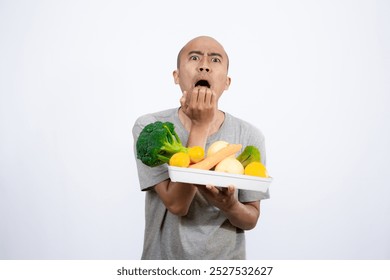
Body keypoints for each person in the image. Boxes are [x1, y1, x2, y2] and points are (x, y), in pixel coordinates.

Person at [132, 36, 270, 260]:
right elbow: (177, 205)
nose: (204, 64)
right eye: (194, 57)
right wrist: (201, 126)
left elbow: (251, 218)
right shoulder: (148, 127)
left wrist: (230, 205)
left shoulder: (249, 135)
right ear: (176, 76)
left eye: (215, 60)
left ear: (227, 82)